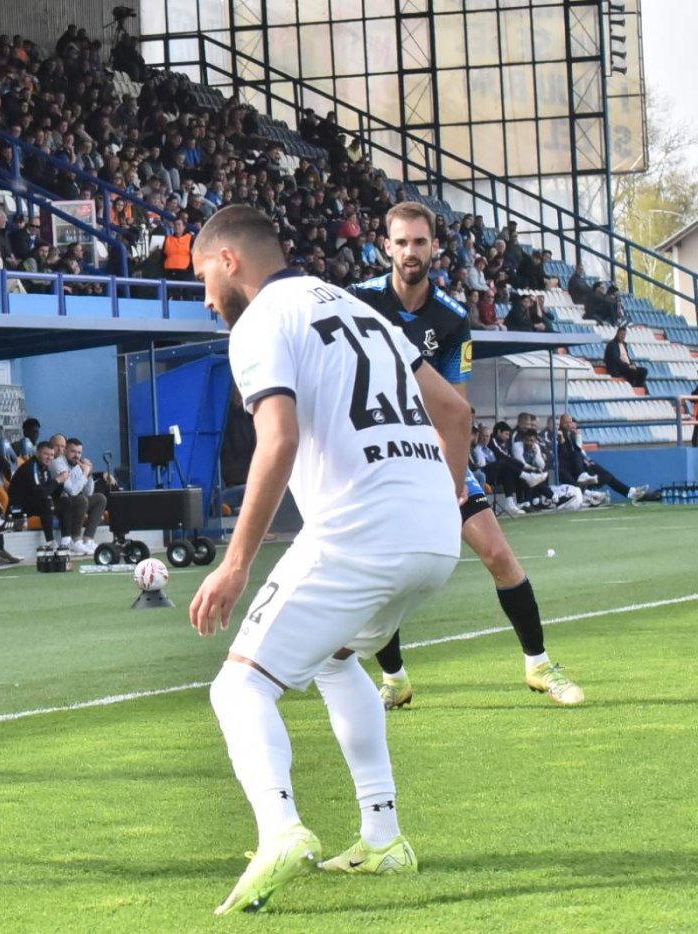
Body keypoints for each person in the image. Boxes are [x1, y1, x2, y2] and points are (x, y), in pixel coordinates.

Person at [188, 205, 473, 914]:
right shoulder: (363, 309)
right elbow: (457, 413)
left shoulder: (260, 321)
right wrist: (443, 501)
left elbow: (277, 440)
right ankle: (384, 835)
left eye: (202, 278)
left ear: (228, 261)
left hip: (360, 530)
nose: (205, 299)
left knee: (238, 688)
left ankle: (280, 829)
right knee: (337, 661)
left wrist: (235, 564)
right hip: (434, 533)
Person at [350, 202, 585, 708]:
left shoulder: (452, 318)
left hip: (433, 452)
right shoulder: (357, 302)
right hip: (376, 456)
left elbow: (455, 407)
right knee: (377, 572)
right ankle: (394, 679)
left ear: (435, 247)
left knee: (498, 553)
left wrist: (451, 479)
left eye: (420, 241)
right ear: (386, 246)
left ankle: (540, 666)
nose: (410, 251)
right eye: (401, 242)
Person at [555, 414, 653, 503]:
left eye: (571, 423)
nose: (570, 425)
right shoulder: (560, 435)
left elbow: (578, 450)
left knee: (606, 474)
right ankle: (626, 492)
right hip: (573, 470)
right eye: (567, 423)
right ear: (562, 423)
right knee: (606, 476)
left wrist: (579, 438)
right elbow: (569, 454)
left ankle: (630, 491)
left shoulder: (571, 435)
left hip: (581, 465)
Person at [53, 436, 106, 555]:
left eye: (79, 452)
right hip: (59, 503)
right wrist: (85, 473)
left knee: (100, 499)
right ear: (65, 450)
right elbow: (72, 491)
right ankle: (75, 540)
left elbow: (88, 493)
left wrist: (89, 473)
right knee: (81, 500)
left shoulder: (77, 465)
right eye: (73, 451)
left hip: (72, 502)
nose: (76, 456)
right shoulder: (58, 464)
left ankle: (88, 540)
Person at [604, 325, 647, 389]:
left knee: (643, 371)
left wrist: (631, 365)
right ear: (617, 334)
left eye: (624, 335)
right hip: (618, 368)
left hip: (626, 366)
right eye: (621, 334)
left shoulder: (624, 344)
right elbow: (616, 359)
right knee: (633, 371)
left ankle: (638, 387)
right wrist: (628, 366)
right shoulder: (612, 344)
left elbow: (627, 358)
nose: (622, 336)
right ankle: (631, 386)